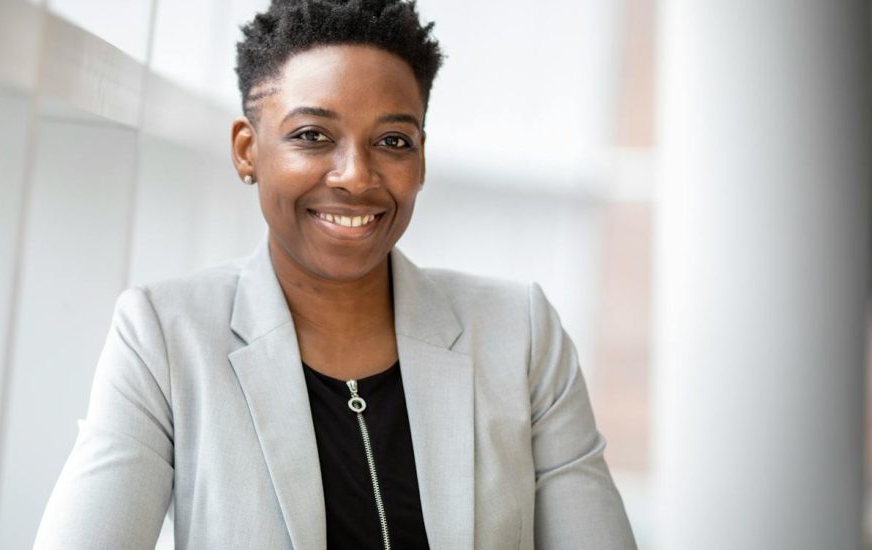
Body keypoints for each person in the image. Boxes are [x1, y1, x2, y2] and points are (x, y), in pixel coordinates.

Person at [34, 0, 637, 548]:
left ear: (421, 159)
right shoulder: (165, 337)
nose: (356, 175)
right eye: (312, 135)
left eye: (393, 141)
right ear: (248, 149)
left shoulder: (520, 333)